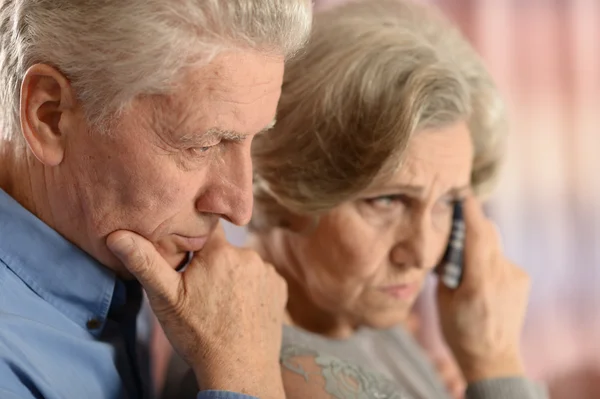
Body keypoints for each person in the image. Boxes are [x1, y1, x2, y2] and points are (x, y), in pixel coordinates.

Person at [168, 0, 548, 398]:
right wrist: (496, 364)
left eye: (446, 202)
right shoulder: (285, 376)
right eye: (387, 201)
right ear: (279, 187)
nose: (420, 253)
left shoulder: (359, 321)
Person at [0, 1, 312, 399]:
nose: (239, 207)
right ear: (50, 116)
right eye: (202, 145)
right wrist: (246, 378)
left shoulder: (113, 243)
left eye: (254, 140)